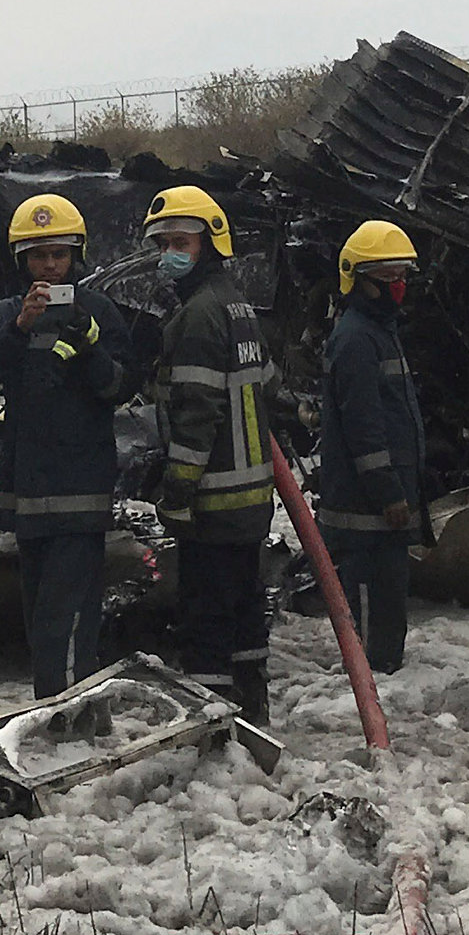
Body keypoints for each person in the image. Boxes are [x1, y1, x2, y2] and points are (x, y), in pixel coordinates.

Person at [0, 193, 129, 701]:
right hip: (28, 497)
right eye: (39, 256)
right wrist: (19, 330)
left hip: (81, 495)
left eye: (59, 255)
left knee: (69, 622)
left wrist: (88, 345)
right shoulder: (7, 313)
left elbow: (118, 389)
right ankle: (61, 715)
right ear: (23, 261)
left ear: (74, 256)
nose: (50, 266)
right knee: (41, 621)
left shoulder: (100, 311)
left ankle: (69, 722)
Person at [142, 184, 281, 724]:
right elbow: (268, 388)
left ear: (210, 243)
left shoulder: (200, 315)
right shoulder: (239, 306)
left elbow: (197, 416)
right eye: (162, 245)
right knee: (246, 615)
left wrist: (175, 492)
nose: (167, 255)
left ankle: (216, 728)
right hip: (251, 502)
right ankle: (254, 712)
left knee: (205, 624)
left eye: (179, 242)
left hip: (213, 502)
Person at [310, 221, 424, 675]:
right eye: (387, 278)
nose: (397, 287)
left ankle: (384, 672)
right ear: (356, 279)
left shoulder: (380, 330)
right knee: (371, 609)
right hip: (365, 514)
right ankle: (370, 684)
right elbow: (364, 427)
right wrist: (388, 491)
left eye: (402, 276)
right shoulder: (357, 338)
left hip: (381, 512)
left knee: (389, 601)